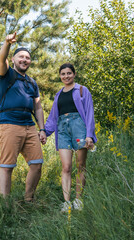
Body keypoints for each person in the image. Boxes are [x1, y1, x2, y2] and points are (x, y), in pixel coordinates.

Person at [0, 32, 47, 202]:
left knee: (37, 164)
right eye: (21, 57)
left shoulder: (32, 82)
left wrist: (42, 129)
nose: (24, 60)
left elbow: (38, 107)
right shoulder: (7, 74)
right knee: (7, 166)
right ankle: (5, 206)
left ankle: (28, 199)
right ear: (13, 59)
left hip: (29, 126)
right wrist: (7, 43)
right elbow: (1, 59)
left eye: (27, 58)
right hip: (10, 125)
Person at [45, 63, 97, 212]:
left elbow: (89, 114)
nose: (66, 76)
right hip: (62, 130)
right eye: (63, 74)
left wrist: (89, 135)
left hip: (79, 128)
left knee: (81, 165)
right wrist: (44, 132)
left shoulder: (82, 90)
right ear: (60, 76)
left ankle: (78, 200)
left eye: (69, 73)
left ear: (74, 74)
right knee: (66, 167)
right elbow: (53, 117)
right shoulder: (58, 94)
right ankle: (67, 202)